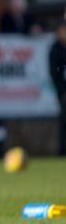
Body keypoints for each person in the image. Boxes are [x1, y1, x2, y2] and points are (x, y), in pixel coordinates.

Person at [50, 20, 66, 156]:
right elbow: (54, 73)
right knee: (64, 120)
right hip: (64, 91)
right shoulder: (55, 49)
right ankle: (63, 150)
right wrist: (62, 90)